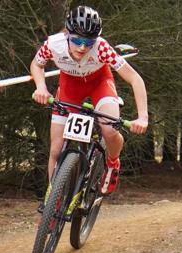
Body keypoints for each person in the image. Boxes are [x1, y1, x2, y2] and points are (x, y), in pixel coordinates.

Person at [31, 6, 148, 204]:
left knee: (109, 130)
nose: (82, 47)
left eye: (89, 42)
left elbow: (135, 79)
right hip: (70, 87)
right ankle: (53, 203)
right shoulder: (53, 44)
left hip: (99, 83)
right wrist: (41, 87)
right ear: (68, 34)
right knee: (56, 150)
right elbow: (37, 64)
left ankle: (112, 162)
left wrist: (143, 116)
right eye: (77, 40)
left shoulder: (102, 48)